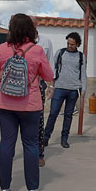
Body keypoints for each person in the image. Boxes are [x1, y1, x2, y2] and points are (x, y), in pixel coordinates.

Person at [0, 14, 53, 191]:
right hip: (29, 104)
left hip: (4, 103)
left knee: (6, 143)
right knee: (30, 144)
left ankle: (4, 188)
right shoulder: (37, 50)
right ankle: (32, 189)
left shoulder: (1, 48)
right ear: (31, 30)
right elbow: (48, 75)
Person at [43, 32, 86, 149]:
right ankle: (45, 138)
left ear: (77, 44)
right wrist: (51, 84)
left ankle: (64, 139)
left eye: (72, 44)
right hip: (59, 88)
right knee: (53, 114)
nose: (69, 46)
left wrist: (83, 89)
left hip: (73, 90)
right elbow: (53, 68)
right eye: (68, 43)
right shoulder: (60, 53)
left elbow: (83, 74)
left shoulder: (81, 57)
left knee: (68, 115)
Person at [30, 16, 53, 167]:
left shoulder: (46, 42)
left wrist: (50, 85)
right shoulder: (16, 43)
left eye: (32, 24)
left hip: (39, 86)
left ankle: (39, 154)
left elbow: (49, 65)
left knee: (38, 121)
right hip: (20, 87)